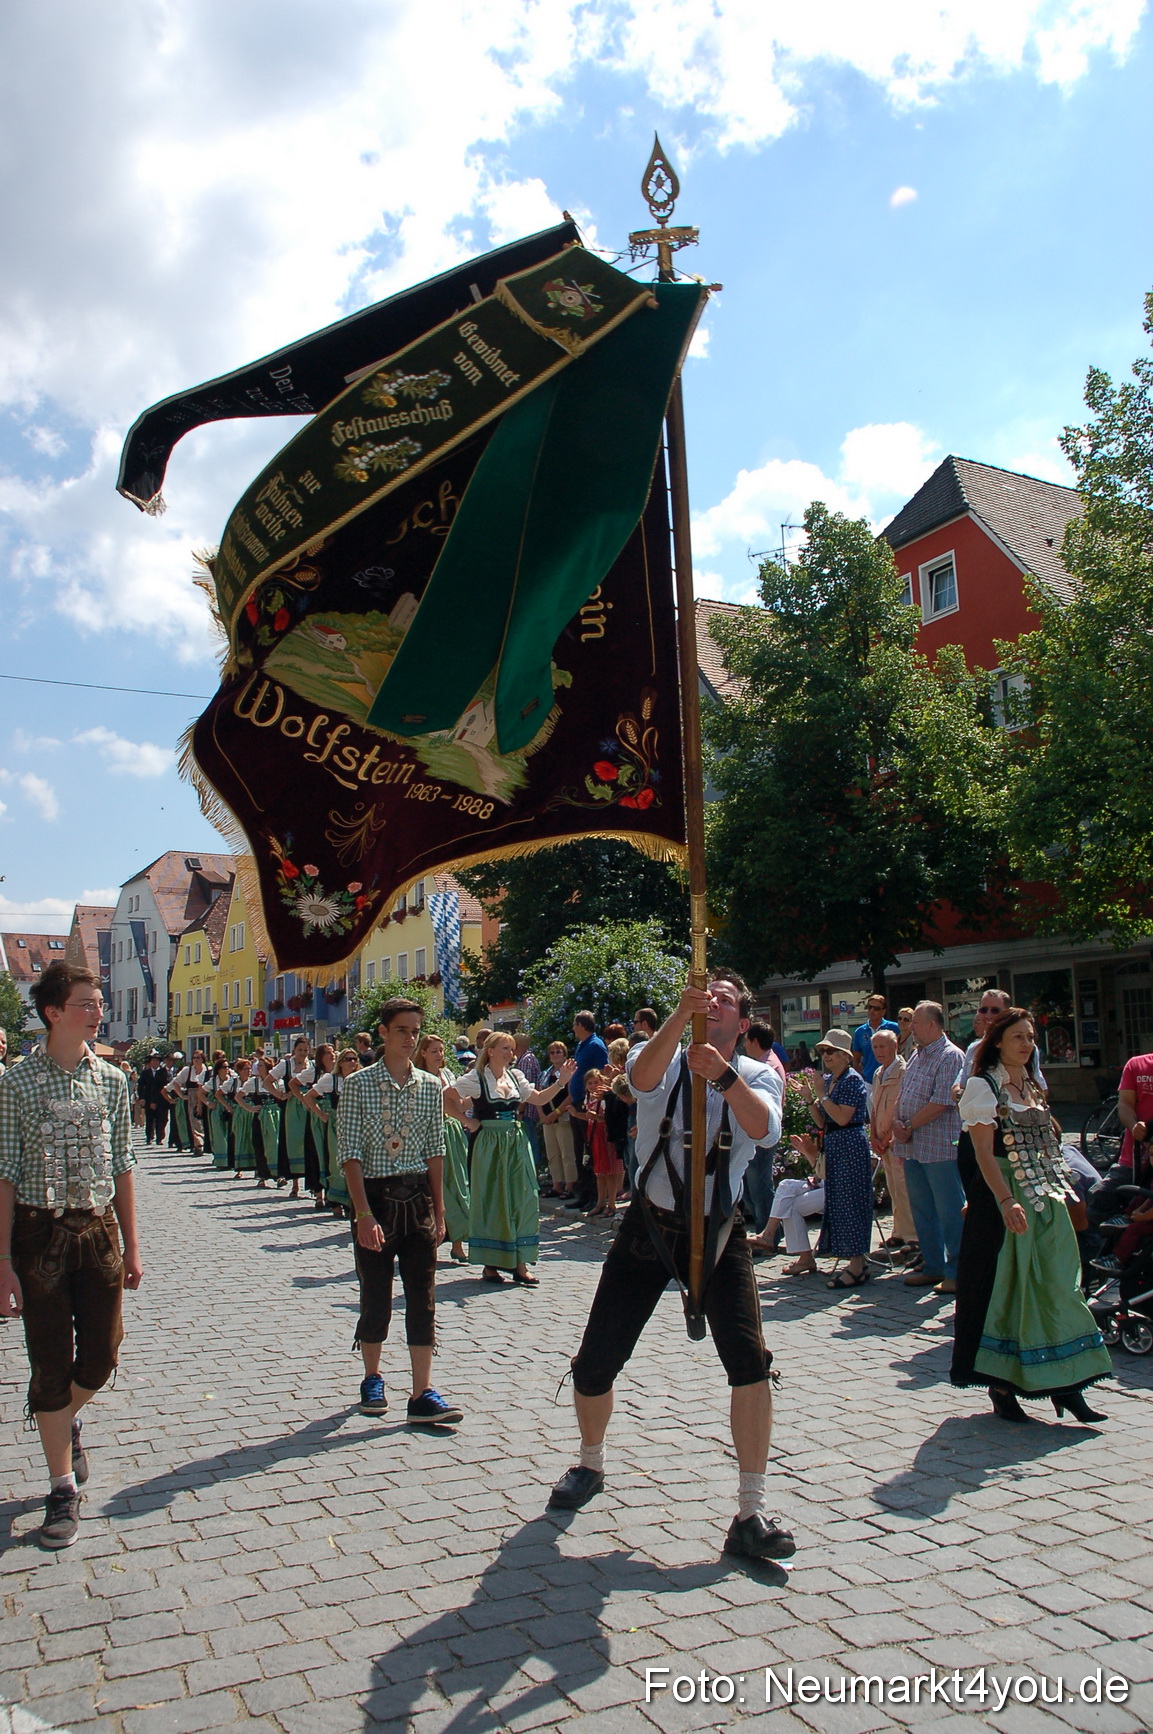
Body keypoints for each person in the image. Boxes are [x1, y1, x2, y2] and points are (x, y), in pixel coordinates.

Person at [549, 973, 793, 1566]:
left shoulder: (757, 1073)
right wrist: (680, 1019)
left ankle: (750, 1510)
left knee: (750, 1362)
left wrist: (725, 1076)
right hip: (650, 1227)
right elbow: (639, 1079)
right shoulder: (659, 1051)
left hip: (719, 1231)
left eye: (726, 1001)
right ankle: (590, 1461)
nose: (715, 1005)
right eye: (707, 997)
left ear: (741, 1020)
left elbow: (765, 1131)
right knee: (598, 1355)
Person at [0, 963, 142, 1551]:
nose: (98, 1010)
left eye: (99, 1000)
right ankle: (62, 1487)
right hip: (39, 1235)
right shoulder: (15, 1084)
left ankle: (62, 1419)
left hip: (98, 1231)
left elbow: (123, 1164)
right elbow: (3, 1175)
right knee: (51, 1362)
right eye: (86, 1002)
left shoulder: (111, 1080)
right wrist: (2, 1260)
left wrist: (133, 1244)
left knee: (103, 1358)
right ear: (54, 1012)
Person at [953, 1008, 1110, 1423]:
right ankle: (1003, 1384)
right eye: (1018, 1036)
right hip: (1008, 1198)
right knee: (1012, 1292)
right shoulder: (982, 1086)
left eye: (1031, 1037)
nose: (1026, 1044)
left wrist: (1067, 1191)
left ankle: (1069, 1382)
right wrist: (1005, 1201)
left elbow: (1049, 1150)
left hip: (1046, 1198)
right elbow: (983, 1155)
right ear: (998, 1041)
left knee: (1059, 1286)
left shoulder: (1032, 1086)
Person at [337, 996, 463, 1424]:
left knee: (423, 1297)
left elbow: (435, 1150)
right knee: (375, 1296)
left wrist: (441, 1211)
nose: (410, 1038)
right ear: (384, 1033)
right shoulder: (357, 1085)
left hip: (419, 1200)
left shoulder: (430, 1086)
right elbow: (349, 1154)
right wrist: (362, 1213)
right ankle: (372, 1376)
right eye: (402, 1030)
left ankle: (422, 1392)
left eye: (416, 1031)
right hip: (377, 1198)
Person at [449, 1033, 574, 1284]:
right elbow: (446, 1098)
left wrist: (562, 1082)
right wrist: (469, 1122)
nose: (510, 1053)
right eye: (505, 1048)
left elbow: (537, 1098)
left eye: (512, 1048)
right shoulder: (477, 1077)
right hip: (488, 1145)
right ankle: (491, 1264)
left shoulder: (515, 1076)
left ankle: (520, 1262)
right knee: (492, 1200)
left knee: (522, 1197)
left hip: (515, 1142)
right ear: (491, 1050)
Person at [893, 1002, 965, 1296]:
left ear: (933, 1025)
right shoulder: (915, 1055)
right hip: (912, 1147)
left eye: (916, 1024)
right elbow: (905, 1091)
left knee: (949, 1211)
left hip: (939, 1148)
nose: (911, 1028)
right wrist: (896, 1121)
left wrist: (907, 1124)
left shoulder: (951, 1057)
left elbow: (941, 1102)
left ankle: (957, 1271)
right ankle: (933, 1265)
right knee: (923, 1209)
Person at [793, 1030, 873, 1288]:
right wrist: (810, 1100)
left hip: (850, 1144)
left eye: (830, 1051)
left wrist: (821, 1094)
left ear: (844, 1056)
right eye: (823, 1051)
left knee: (851, 1203)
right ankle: (854, 1262)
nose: (825, 1056)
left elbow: (842, 1118)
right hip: (836, 1144)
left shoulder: (852, 1080)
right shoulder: (830, 1082)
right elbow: (824, 1122)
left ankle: (857, 1266)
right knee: (838, 1203)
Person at [413, 1031, 469, 1262]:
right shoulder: (416, 1077)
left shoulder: (447, 1074)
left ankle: (458, 1244)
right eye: (434, 1051)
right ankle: (430, 1243)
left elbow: (458, 1105)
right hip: (426, 1136)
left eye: (441, 1050)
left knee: (458, 1186)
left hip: (451, 1133)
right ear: (423, 1053)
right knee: (433, 1190)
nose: (439, 1055)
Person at [868, 1028, 916, 1258]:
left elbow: (902, 1106)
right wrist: (874, 1135)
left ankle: (913, 1236)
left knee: (904, 1186)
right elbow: (875, 1106)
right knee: (892, 1186)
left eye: (883, 1046)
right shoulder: (878, 1072)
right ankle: (898, 1230)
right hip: (881, 1140)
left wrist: (888, 1137)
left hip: (898, 1140)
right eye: (875, 1047)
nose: (878, 1051)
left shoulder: (904, 1071)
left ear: (895, 1046)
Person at [742, 1022, 787, 1235]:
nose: (744, 1044)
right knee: (750, 1189)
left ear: (755, 1042)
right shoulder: (763, 1062)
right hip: (755, 1132)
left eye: (746, 1040)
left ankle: (767, 1234)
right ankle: (771, 1231)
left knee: (759, 1187)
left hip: (763, 1133)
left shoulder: (768, 1067)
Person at [309, 1048, 359, 1216]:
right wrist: (322, 1115)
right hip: (337, 1125)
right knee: (337, 1164)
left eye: (354, 1059)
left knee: (357, 1163)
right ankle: (336, 1201)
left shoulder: (361, 1079)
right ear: (341, 1062)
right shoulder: (330, 1079)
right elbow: (309, 1096)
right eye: (348, 1059)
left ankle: (353, 1202)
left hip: (357, 1125)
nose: (352, 1062)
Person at [566, 1012, 609, 1211]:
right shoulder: (582, 1045)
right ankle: (583, 1193)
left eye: (575, 1024)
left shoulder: (595, 1045)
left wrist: (595, 1097)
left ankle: (594, 1195)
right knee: (580, 1149)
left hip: (590, 1103)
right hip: (578, 1102)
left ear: (582, 1025)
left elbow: (602, 1073)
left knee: (590, 1150)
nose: (573, 1028)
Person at [272, 1036, 313, 1200]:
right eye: (300, 1050)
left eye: (305, 1050)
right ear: (294, 1050)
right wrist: (280, 1095)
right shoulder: (286, 1065)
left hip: (309, 1105)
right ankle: (295, 1184)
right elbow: (268, 1081)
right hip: (293, 1108)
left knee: (310, 1142)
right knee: (294, 1142)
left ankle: (313, 1184)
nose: (302, 1053)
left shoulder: (312, 1065)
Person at [538, 1041, 577, 1200]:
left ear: (564, 1054)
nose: (555, 1055)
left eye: (558, 1052)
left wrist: (557, 1112)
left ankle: (569, 1184)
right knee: (552, 1153)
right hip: (547, 1119)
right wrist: (542, 1115)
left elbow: (571, 1094)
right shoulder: (545, 1074)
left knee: (567, 1152)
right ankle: (557, 1184)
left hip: (562, 1116)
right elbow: (539, 1094)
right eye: (552, 1052)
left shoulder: (568, 1072)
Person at [303, 1045, 336, 1207]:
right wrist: (312, 1108)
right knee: (317, 1153)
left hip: (333, 1118)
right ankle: (318, 1194)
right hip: (318, 1117)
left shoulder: (338, 1073)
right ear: (321, 1056)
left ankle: (332, 1193)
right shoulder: (314, 1073)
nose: (332, 1055)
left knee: (331, 1155)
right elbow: (295, 1085)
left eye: (333, 1052)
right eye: (328, 1053)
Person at [165, 1050, 206, 1156]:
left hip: (205, 1097)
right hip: (192, 1097)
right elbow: (175, 1083)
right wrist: (182, 1096)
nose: (196, 1060)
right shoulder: (187, 1071)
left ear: (203, 1059)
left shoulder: (207, 1070)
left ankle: (206, 1144)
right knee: (195, 1121)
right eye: (194, 1058)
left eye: (198, 1058)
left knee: (205, 1122)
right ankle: (198, 1145)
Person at [851, 995, 899, 1086]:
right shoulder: (860, 1032)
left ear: (883, 1011)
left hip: (892, 1079)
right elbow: (856, 1059)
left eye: (876, 1008)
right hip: (869, 1081)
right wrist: (860, 1077)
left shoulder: (894, 1028)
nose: (872, 1011)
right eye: (869, 1007)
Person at [136, 1052, 170, 1147]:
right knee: (150, 1119)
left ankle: (160, 1138)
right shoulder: (145, 1073)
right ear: (150, 1062)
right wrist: (142, 1098)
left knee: (162, 1119)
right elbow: (141, 1087)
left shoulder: (163, 1072)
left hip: (161, 1100)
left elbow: (166, 1085)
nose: (155, 1062)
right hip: (149, 1099)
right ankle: (149, 1137)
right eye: (153, 1061)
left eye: (157, 1061)